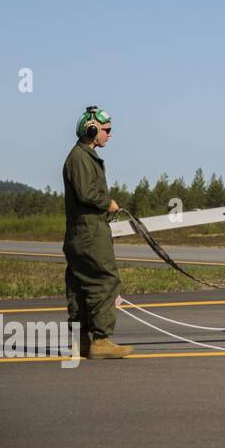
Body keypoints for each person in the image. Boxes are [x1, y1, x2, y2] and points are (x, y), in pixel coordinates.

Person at [63, 106, 132, 359]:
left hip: (80, 232)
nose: (109, 135)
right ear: (92, 130)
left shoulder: (82, 156)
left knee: (81, 284)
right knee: (105, 280)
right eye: (106, 130)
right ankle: (101, 340)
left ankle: (79, 341)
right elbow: (86, 193)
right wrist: (108, 203)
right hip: (89, 233)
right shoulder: (80, 158)